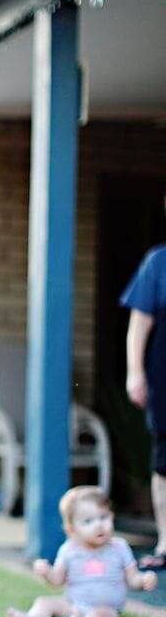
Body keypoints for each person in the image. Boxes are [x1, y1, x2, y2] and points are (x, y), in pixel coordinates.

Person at [6, 485, 157, 617]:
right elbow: (57, 581)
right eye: (88, 521)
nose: (99, 525)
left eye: (103, 517)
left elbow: (133, 579)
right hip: (74, 604)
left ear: (112, 516)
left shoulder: (119, 547)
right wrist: (46, 573)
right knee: (44, 603)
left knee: (99, 616)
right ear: (71, 529)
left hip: (108, 608)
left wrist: (144, 580)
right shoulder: (69, 550)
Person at [121, 232, 166, 570]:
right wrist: (135, 372)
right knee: (163, 462)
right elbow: (140, 322)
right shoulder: (158, 261)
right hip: (162, 377)